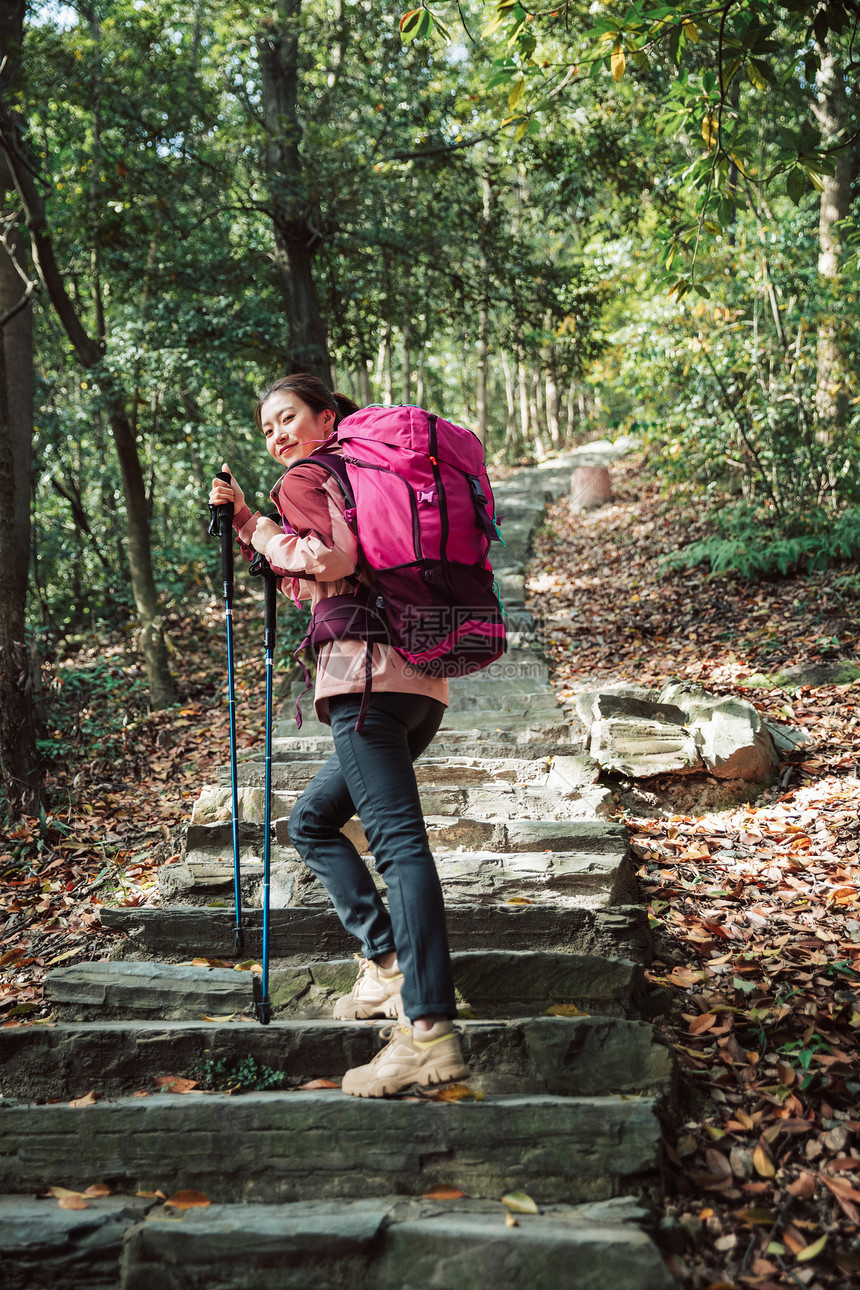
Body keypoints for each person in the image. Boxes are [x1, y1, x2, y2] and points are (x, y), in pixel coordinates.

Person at [208, 373, 469, 1098]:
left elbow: (332, 561)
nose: (277, 436)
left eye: (286, 417)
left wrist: (259, 527)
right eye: (267, 428)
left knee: (401, 849)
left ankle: (429, 1031)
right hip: (421, 687)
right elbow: (331, 575)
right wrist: (254, 527)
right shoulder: (369, 478)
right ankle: (387, 967)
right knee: (314, 822)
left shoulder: (309, 478)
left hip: (364, 685)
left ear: (327, 416)